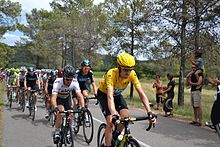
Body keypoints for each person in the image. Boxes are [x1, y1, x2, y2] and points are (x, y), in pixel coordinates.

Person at [96, 52, 156, 147]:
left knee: (125, 118)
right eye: (125, 70)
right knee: (111, 122)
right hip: (104, 95)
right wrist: (114, 113)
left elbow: (141, 93)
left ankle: (115, 135)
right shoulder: (111, 74)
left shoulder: (132, 74)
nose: (128, 72)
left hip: (117, 95)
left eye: (130, 70)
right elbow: (110, 96)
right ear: (119, 67)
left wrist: (149, 111)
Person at [51, 65, 85, 144]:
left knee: (70, 114)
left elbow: (80, 96)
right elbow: (53, 98)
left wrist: (83, 107)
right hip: (59, 99)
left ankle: (68, 132)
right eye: (67, 79)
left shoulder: (75, 82)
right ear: (63, 77)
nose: (69, 81)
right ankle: (57, 132)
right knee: (61, 112)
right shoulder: (58, 82)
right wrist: (55, 107)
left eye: (71, 79)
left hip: (67, 99)